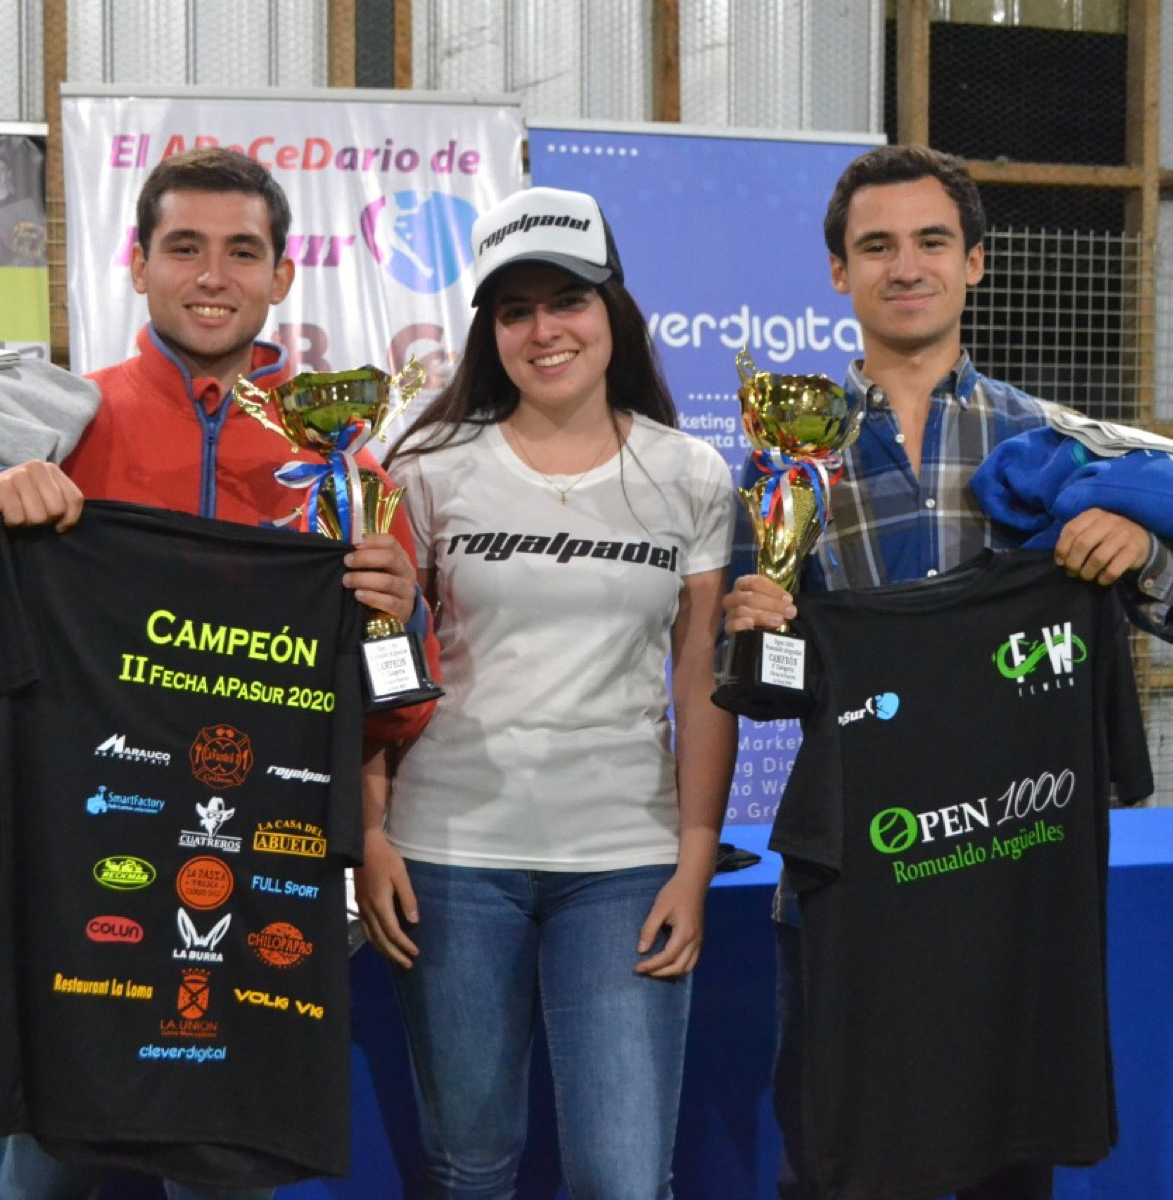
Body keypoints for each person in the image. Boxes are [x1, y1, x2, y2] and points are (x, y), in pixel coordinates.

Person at [0, 147, 438, 1200]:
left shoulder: (345, 471)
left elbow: (398, 713)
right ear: (137, 265)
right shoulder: (58, 420)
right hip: (70, 866)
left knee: (224, 1173)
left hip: (255, 871)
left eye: (242, 252)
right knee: (41, 1170)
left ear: (282, 275)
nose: (212, 276)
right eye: (184, 248)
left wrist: (397, 617)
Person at [722, 145, 1173, 1200]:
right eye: (876, 246)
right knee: (836, 1165)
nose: (904, 266)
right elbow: (770, 692)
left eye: (930, 241)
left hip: (1011, 879)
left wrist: (1141, 552)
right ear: (838, 272)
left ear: (974, 263)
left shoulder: (1053, 444)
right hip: (852, 885)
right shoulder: (786, 459)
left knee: (1009, 1165)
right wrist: (756, 627)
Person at [355, 186, 738, 1199]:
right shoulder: (426, 466)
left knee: (623, 1179)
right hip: (447, 858)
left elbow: (700, 675)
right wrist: (370, 831)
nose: (544, 330)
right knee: (471, 1167)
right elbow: (379, 663)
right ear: (489, 330)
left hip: (623, 863)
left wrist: (695, 859)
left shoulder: (690, 473)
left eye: (567, 300)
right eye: (515, 310)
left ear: (613, 308)